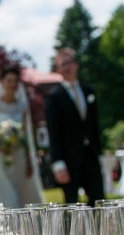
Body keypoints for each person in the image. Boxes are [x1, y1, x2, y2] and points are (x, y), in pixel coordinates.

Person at [0, 66, 44, 208]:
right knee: (3, 195)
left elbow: (25, 136)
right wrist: (0, 146)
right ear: (2, 82)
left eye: (15, 81)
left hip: (18, 156)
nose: (12, 84)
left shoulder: (22, 106)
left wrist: (29, 161)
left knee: (19, 193)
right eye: (9, 80)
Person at [44, 48, 104, 205]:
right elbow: (53, 132)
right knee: (71, 203)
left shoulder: (88, 91)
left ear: (76, 64)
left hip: (91, 155)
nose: (67, 67)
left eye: (69, 62)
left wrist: (100, 153)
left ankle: (98, 230)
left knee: (98, 199)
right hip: (68, 159)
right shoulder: (54, 97)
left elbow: (94, 126)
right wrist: (58, 162)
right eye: (63, 64)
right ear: (58, 69)